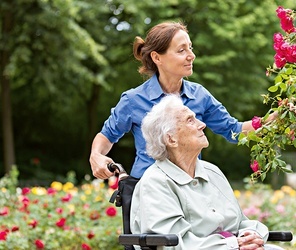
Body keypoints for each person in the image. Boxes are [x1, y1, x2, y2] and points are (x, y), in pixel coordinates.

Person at [89, 20, 278, 180]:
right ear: (157, 57)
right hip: (148, 192)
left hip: (191, 191)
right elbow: (107, 135)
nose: (191, 55)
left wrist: (273, 120)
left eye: (190, 48)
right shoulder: (133, 100)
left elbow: (233, 131)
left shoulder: (199, 96)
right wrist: (96, 155)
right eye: (181, 50)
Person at [130, 94, 284, 250]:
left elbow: (240, 222)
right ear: (171, 139)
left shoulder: (212, 171)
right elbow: (174, 243)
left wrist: (249, 236)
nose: (202, 124)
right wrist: (233, 244)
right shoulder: (155, 182)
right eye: (190, 120)